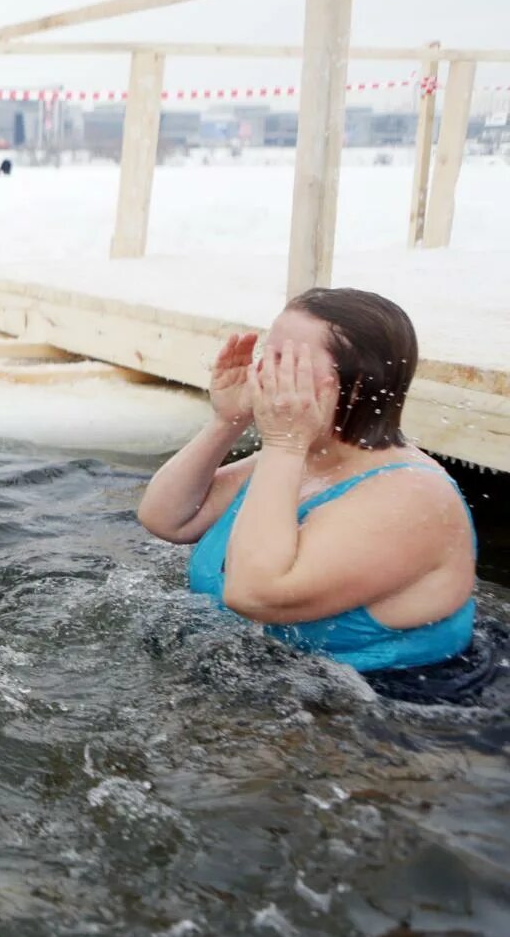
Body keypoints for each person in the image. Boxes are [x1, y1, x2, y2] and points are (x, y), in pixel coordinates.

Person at [138, 287, 495, 704]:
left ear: (357, 387)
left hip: (393, 716)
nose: (265, 375)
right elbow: (167, 518)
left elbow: (253, 593)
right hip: (287, 683)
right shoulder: (303, 456)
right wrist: (227, 421)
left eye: (288, 363)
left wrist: (284, 441)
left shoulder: (410, 497)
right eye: (267, 355)